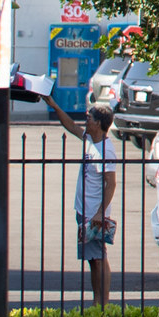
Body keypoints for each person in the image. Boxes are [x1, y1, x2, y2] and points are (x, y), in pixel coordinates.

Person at [52, 102, 120, 305]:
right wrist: (53, 104)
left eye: (89, 117)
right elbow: (71, 126)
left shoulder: (105, 150)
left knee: (98, 258)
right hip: (85, 211)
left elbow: (111, 184)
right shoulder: (90, 140)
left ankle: (101, 304)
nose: (86, 119)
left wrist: (100, 213)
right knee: (94, 259)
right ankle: (98, 302)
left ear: (98, 123)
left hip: (93, 213)